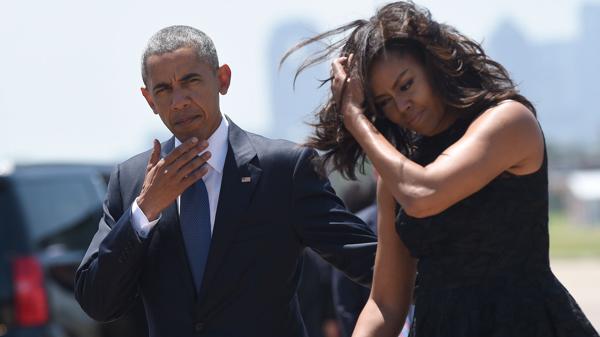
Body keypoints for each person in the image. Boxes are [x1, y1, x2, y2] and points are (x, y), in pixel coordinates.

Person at [284, 2, 600, 336]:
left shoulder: (509, 121)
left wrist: (355, 117)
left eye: (406, 85)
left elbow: (423, 194)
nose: (402, 106)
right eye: (385, 102)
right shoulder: (399, 175)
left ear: (434, 64)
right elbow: (386, 305)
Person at [74, 25, 377, 337]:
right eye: (163, 89)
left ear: (222, 79)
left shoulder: (283, 170)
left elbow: (372, 263)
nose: (178, 101)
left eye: (190, 81)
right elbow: (98, 303)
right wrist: (144, 210)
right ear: (149, 99)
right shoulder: (131, 180)